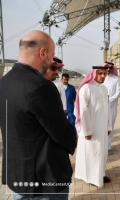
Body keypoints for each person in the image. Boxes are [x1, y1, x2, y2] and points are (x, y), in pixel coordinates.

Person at [0, 30, 77, 199]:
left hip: (18, 177)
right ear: (43, 53)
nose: (51, 61)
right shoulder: (41, 86)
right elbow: (62, 133)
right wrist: (73, 136)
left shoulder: (3, 83)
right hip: (44, 180)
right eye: (52, 55)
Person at [74, 65, 111, 187]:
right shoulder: (86, 88)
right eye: (100, 73)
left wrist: (109, 126)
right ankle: (92, 177)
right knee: (92, 153)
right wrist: (87, 131)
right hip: (91, 129)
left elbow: (107, 109)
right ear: (94, 74)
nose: (102, 76)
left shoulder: (104, 88)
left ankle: (100, 174)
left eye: (104, 74)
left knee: (102, 152)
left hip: (102, 128)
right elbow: (83, 111)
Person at [103, 61, 120, 150]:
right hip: (101, 106)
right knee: (102, 126)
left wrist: (109, 100)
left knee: (110, 126)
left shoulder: (116, 79)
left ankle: (108, 145)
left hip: (112, 107)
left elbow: (118, 92)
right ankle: (102, 145)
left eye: (110, 68)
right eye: (107, 68)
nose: (108, 69)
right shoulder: (101, 78)